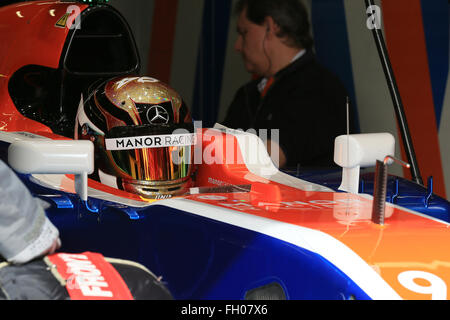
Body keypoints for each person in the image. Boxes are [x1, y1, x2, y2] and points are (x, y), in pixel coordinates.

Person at [222, 0, 355, 169]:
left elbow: (266, 160)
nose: (237, 46)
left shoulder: (319, 88)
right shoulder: (248, 93)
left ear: (271, 26)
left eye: (244, 32)